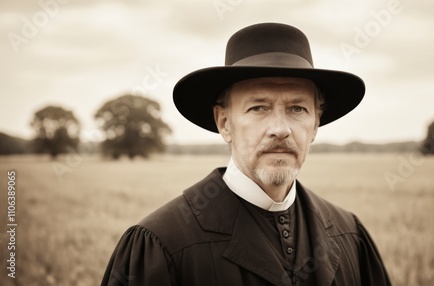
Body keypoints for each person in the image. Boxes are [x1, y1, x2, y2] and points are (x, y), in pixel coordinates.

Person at [101, 22, 391, 286]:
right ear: (225, 123)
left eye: (297, 108)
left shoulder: (350, 234)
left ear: (315, 124)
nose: (280, 129)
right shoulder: (161, 245)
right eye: (258, 107)